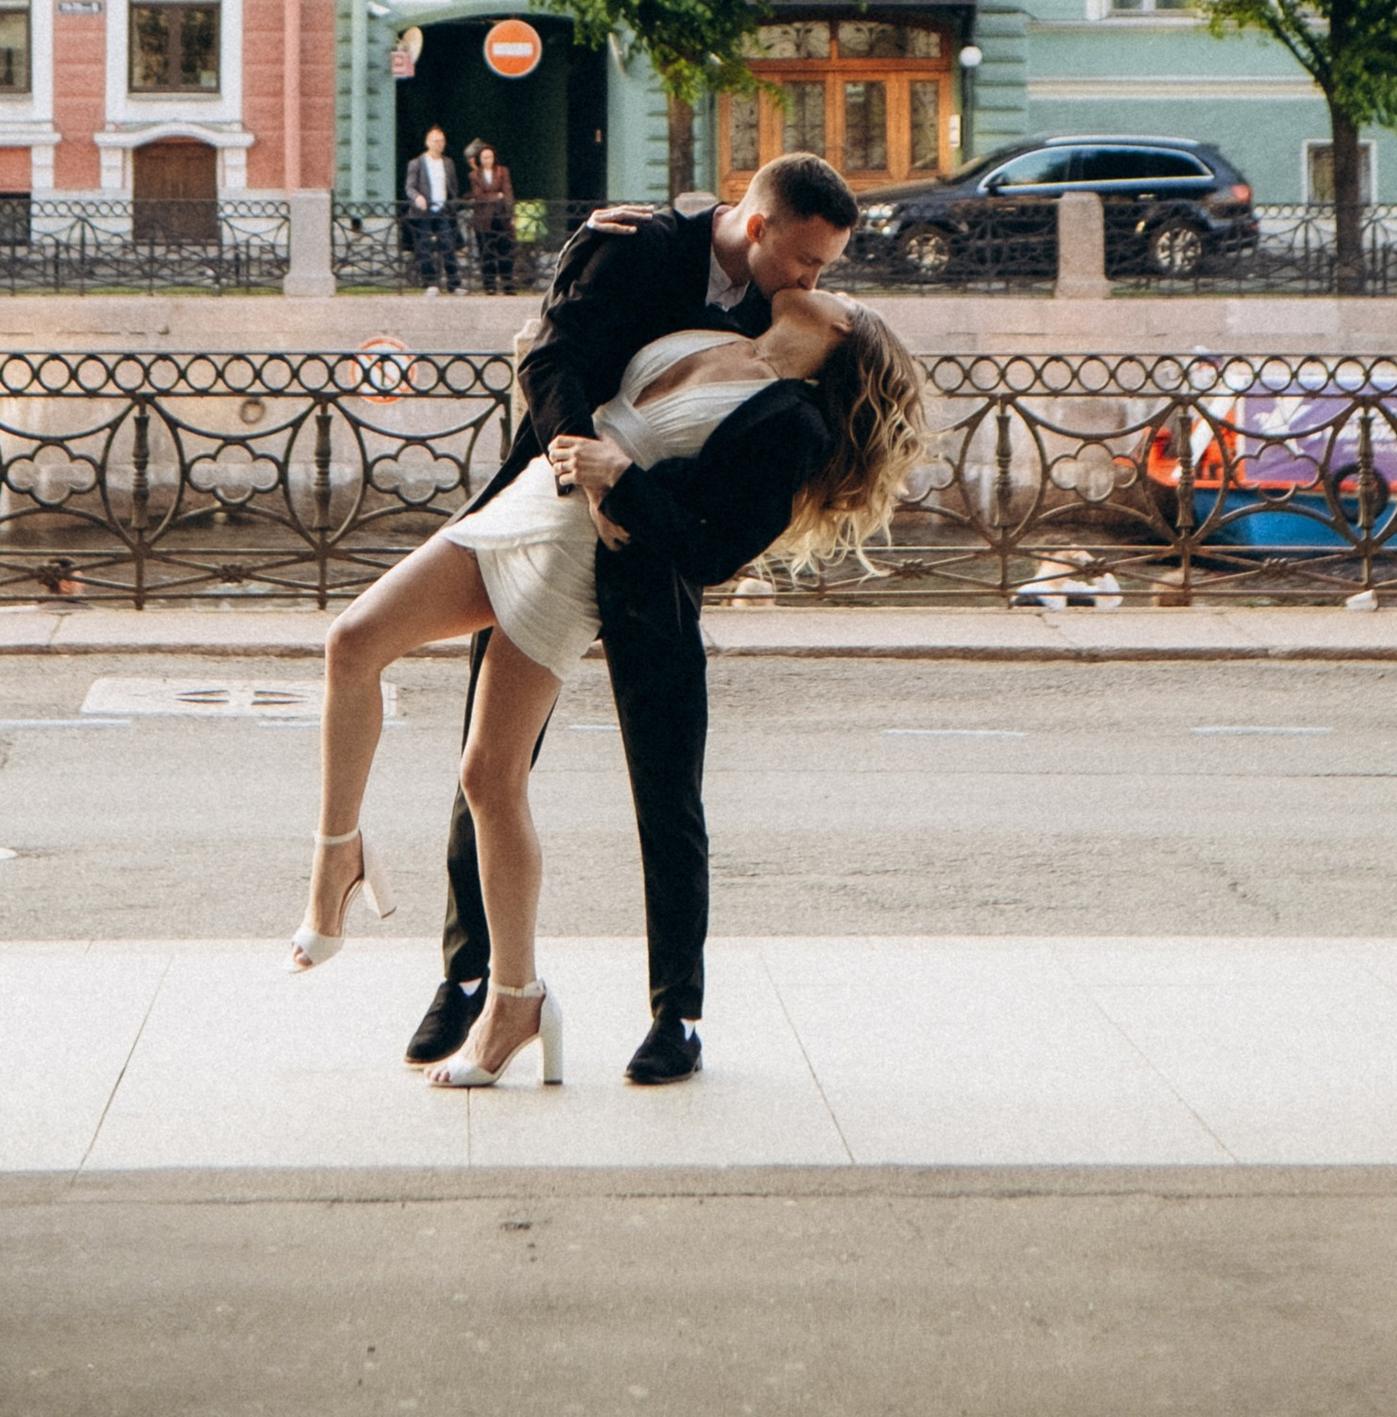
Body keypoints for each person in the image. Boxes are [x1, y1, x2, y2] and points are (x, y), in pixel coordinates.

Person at [290, 277, 924, 1092]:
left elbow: (709, 548)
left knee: (498, 776)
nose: (811, 281)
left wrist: (619, 475)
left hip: (573, 559)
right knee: (355, 645)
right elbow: (574, 337)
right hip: (523, 504)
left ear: (843, 331)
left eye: (831, 286)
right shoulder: (709, 323)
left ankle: (556, 1004)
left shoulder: (792, 420)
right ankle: (346, 866)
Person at [363, 156, 859, 1082]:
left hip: (649, 558)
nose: (811, 281)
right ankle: (466, 976)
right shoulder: (636, 243)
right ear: (755, 224)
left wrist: (634, 499)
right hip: (544, 524)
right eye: (803, 260)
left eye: (824, 269)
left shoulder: (787, 321)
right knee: (490, 767)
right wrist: (572, 472)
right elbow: (549, 358)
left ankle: (678, 1013)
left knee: (669, 787)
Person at [401, 130, 462, 291]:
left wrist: (452, 203)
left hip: (442, 210)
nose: (439, 144)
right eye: (435, 141)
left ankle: (454, 283)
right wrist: (417, 197)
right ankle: (430, 282)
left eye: (441, 141)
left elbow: (453, 187)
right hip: (423, 211)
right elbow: (409, 187)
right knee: (424, 246)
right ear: (427, 142)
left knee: (448, 245)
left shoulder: (448, 163)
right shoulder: (417, 163)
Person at [463, 141, 517, 295]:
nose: (488, 160)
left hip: (502, 217)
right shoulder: (474, 175)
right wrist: (496, 195)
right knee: (486, 252)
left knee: (505, 250)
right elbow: (478, 195)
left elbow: (507, 192)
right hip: (483, 219)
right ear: (480, 159)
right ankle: (489, 285)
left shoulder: (502, 171)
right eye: (484, 157)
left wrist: (510, 212)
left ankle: (508, 284)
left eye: (490, 157)